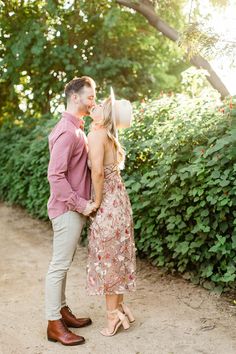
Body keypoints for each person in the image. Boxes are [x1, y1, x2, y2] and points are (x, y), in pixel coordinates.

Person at [45, 76, 97, 346]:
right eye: (90, 97)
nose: (93, 102)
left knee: (63, 265)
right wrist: (82, 204)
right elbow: (55, 175)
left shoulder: (75, 128)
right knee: (59, 266)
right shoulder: (68, 130)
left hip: (71, 209)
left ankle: (63, 311)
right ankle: (54, 323)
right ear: (75, 97)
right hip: (67, 209)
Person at [86, 88, 136, 337]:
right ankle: (121, 308)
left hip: (108, 203)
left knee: (108, 259)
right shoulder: (108, 135)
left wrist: (95, 202)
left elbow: (98, 173)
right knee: (117, 256)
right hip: (120, 203)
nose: (98, 104)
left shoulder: (97, 136)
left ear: (107, 112)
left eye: (104, 103)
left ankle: (112, 318)